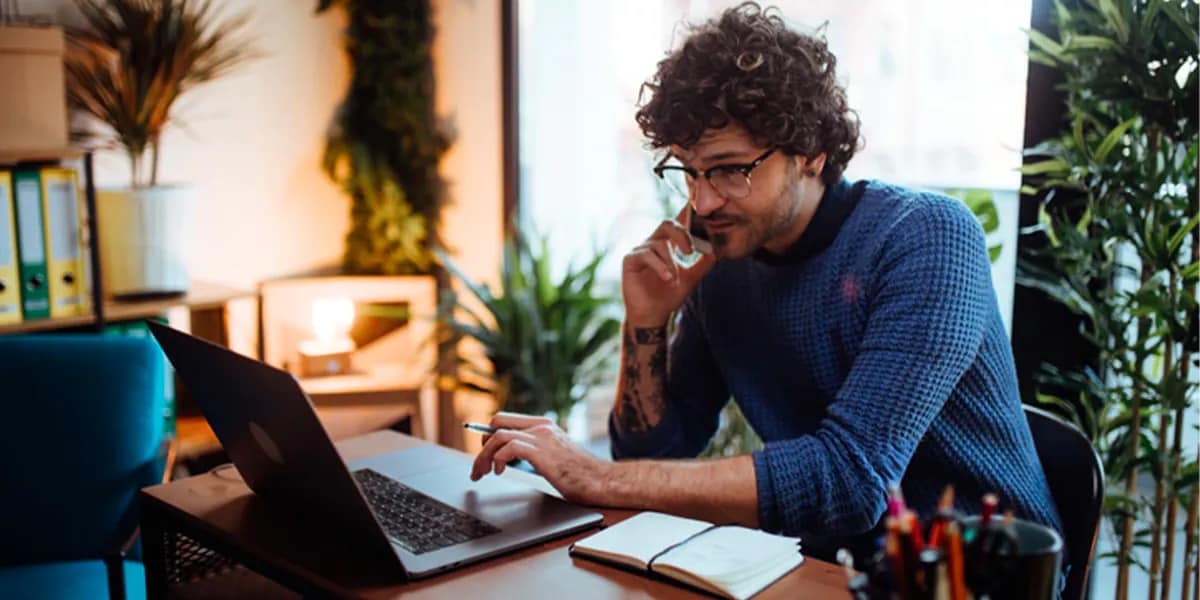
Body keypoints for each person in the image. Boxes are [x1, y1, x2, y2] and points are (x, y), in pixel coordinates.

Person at [468, 1, 1063, 562]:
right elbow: (654, 454)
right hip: (829, 568)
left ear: (811, 152)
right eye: (689, 171)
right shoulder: (722, 261)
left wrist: (592, 473)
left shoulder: (926, 238)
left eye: (729, 169)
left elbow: (850, 480)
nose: (702, 201)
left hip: (980, 571)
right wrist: (646, 319)